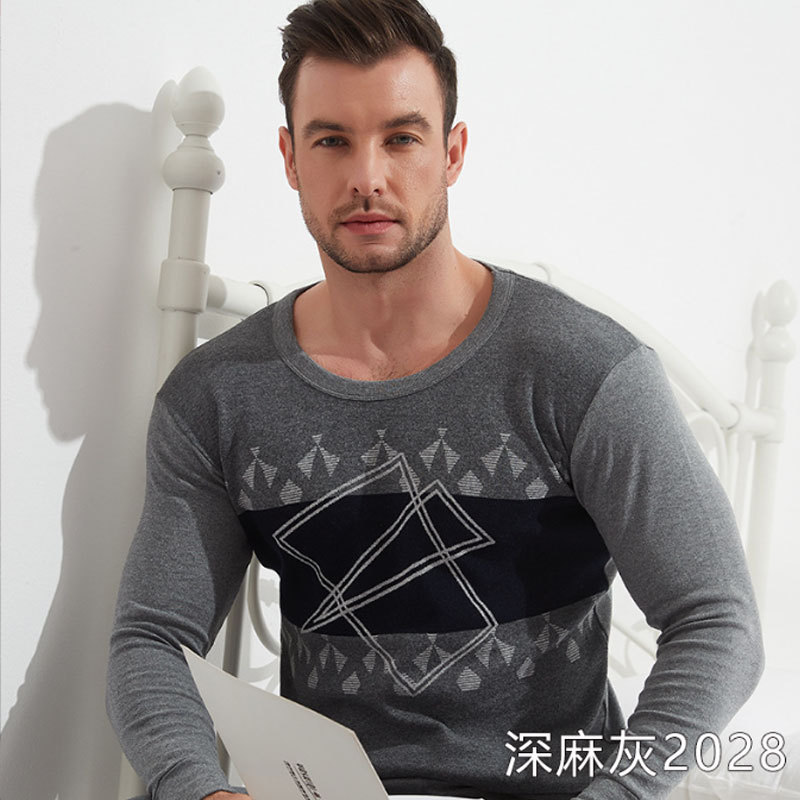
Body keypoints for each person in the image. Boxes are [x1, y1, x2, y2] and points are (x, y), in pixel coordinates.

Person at [107, 1, 764, 798]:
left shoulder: (584, 371)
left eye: (401, 138)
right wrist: (200, 788)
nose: (367, 177)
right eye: (331, 140)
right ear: (289, 157)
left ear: (452, 153)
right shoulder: (217, 396)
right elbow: (153, 637)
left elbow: (717, 620)